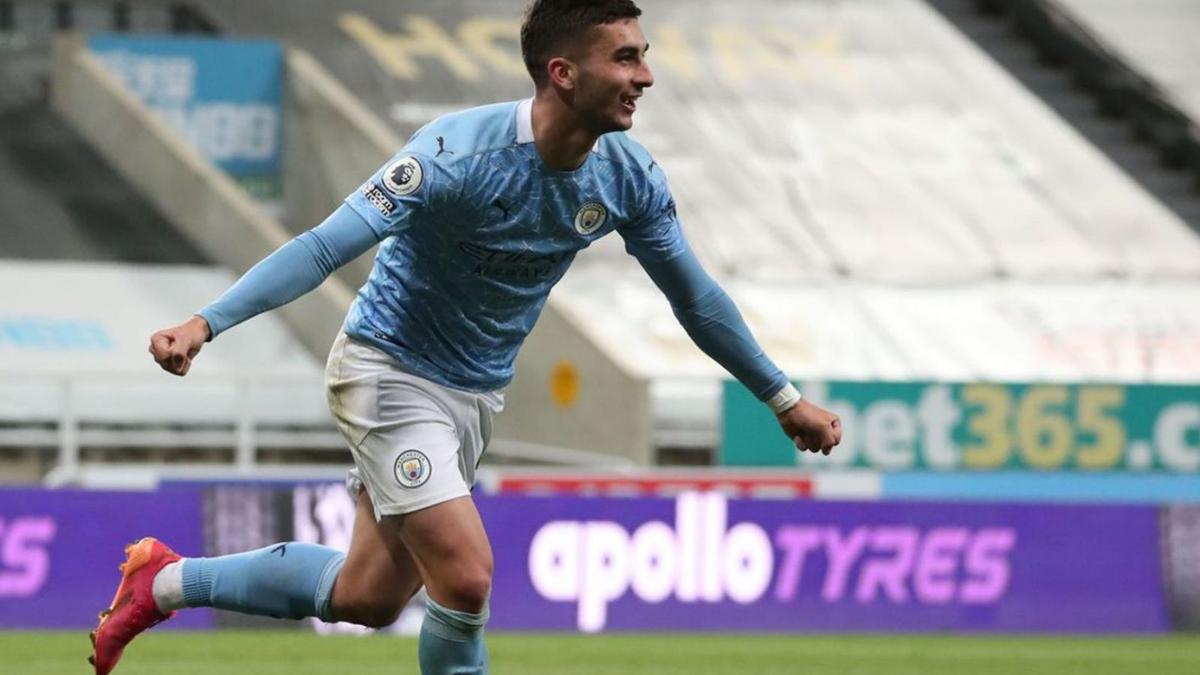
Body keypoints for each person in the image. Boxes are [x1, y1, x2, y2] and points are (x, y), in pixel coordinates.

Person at [88, 0, 842, 673]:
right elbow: (322, 248)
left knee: (368, 596)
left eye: (643, 55)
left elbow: (696, 300)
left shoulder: (628, 178)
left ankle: (163, 580)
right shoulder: (455, 156)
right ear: (563, 73)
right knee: (467, 575)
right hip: (388, 369)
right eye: (626, 56)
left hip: (474, 395)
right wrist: (205, 322)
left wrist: (781, 398)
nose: (646, 75)